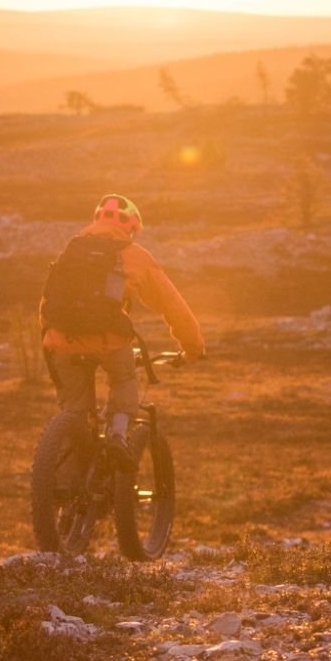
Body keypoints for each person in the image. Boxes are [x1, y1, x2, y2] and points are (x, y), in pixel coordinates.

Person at [38, 194, 206, 465]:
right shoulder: (135, 256)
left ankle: (61, 491)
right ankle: (118, 430)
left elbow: (48, 301)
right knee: (124, 378)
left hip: (62, 340)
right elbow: (173, 306)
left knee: (74, 412)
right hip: (109, 340)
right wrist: (193, 348)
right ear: (131, 227)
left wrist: (49, 338)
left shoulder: (72, 250)